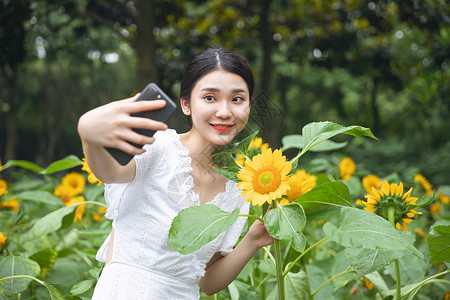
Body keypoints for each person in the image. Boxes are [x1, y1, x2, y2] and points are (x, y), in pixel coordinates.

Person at [78, 48, 274, 299]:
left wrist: (252, 241)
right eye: (210, 98)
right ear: (186, 104)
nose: (225, 111)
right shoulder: (158, 147)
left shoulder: (238, 185)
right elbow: (110, 172)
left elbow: (208, 282)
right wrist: (89, 136)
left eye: (237, 99)